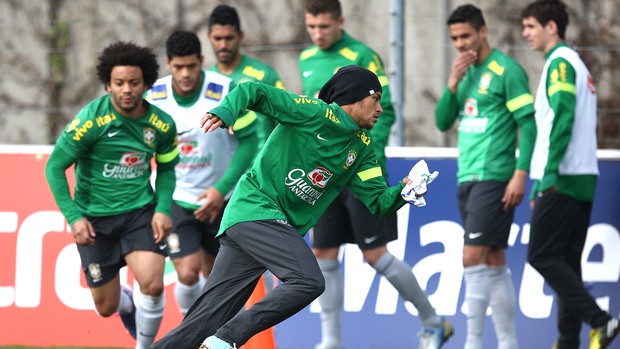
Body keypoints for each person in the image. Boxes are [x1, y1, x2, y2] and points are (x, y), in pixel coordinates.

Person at [148, 66, 431, 349]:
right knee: (308, 281)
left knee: (204, 321)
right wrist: (226, 111)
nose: (381, 108)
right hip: (256, 209)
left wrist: (404, 192)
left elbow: (378, 201)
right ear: (356, 97)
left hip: (258, 224)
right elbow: (253, 91)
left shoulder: (362, 148)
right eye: (376, 99)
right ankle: (227, 339)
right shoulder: (313, 112)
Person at [299, 1, 452, 348]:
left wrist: (361, 155)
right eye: (312, 27)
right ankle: (331, 341)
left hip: (358, 170)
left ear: (340, 21)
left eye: (324, 26)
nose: (317, 34)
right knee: (323, 253)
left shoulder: (363, 55)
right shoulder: (306, 59)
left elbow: (387, 111)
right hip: (325, 173)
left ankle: (433, 322)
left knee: (375, 256)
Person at [45, 42, 179, 349]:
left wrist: (162, 208)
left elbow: (169, 168)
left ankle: (145, 346)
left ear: (146, 83)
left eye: (134, 82)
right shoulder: (90, 120)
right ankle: (126, 304)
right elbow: (54, 167)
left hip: (139, 214)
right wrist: (75, 218)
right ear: (108, 84)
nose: (127, 90)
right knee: (106, 307)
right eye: (119, 83)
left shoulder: (161, 124)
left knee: (153, 283)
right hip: (94, 221)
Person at [435, 4, 537, 349]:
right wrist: (452, 82)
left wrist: (520, 173)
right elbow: (441, 121)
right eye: (454, 39)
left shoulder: (507, 70)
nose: (460, 44)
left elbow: (528, 122)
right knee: (493, 260)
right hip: (468, 176)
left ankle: (473, 342)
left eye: (465, 36)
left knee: (471, 257)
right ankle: (508, 343)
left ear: (483, 32)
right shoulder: (464, 74)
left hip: (495, 175)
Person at [521, 1, 620, 348]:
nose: (525, 33)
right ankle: (567, 341)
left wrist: (546, 176)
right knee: (566, 263)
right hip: (581, 177)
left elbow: (562, 119)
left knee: (541, 256)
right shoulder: (576, 63)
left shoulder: (561, 64)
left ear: (552, 27)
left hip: (562, 177)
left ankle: (602, 321)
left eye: (531, 26)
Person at [145, 31, 259, 316]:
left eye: (191, 66)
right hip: (177, 198)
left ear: (201, 61)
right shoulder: (154, 96)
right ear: (168, 63)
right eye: (178, 67)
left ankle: (218, 338)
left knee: (215, 278)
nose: (185, 74)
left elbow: (249, 141)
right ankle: (190, 332)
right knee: (186, 272)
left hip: (221, 198)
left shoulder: (224, 90)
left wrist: (221, 190)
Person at [206, 4, 285, 150]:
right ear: (209, 37)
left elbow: (284, 120)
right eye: (218, 38)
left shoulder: (264, 74)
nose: (223, 45)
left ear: (240, 36)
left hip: (259, 166)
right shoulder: (206, 80)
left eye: (229, 38)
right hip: (225, 168)